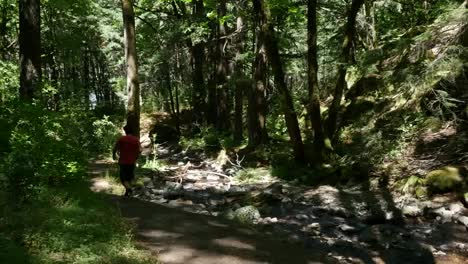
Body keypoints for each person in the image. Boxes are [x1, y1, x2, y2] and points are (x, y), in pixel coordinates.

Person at [113, 125, 141, 196]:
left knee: (123, 179)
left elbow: (115, 148)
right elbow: (139, 151)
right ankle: (128, 192)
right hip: (132, 162)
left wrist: (114, 155)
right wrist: (136, 158)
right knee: (130, 177)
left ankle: (130, 190)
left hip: (123, 161)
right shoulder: (136, 140)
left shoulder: (122, 139)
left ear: (125, 131)